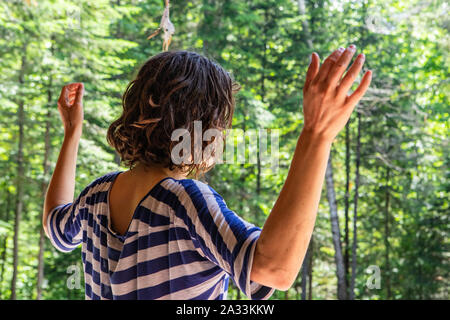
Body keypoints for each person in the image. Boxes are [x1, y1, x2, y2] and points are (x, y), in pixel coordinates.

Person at [43, 46, 371, 300]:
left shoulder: (96, 196)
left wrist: (72, 132)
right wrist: (317, 134)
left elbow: (54, 225)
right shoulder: (182, 201)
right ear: (206, 127)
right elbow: (274, 268)